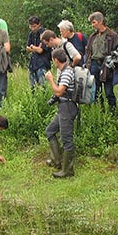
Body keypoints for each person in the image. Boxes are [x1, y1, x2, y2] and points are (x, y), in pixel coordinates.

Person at [45, 48, 78, 178]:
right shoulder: (64, 70)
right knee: (50, 131)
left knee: (66, 139)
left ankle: (68, 170)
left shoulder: (67, 73)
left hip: (68, 107)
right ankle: (56, 160)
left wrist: (50, 80)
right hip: (63, 107)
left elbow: (59, 92)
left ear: (56, 60)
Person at [85, 11, 118, 112]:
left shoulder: (112, 35)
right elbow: (88, 51)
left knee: (109, 91)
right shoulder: (92, 36)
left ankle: (112, 112)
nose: (92, 25)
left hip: (107, 65)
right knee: (96, 90)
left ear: (101, 21)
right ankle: (100, 111)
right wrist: (88, 64)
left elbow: (117, 50)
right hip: (94, 64)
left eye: (94, 22)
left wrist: (112, 63)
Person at [25, 16, 51, 88]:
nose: (32, 28)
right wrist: (36, 48)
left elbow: (41, 50)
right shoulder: (31, 34)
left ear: (39, 24)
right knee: (32, 87)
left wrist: (33, 47)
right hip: (33, 63)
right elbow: (27, 48)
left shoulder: (44, 34)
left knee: (43, 86)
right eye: (31, 26)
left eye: (34, 26)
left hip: (42, 63)